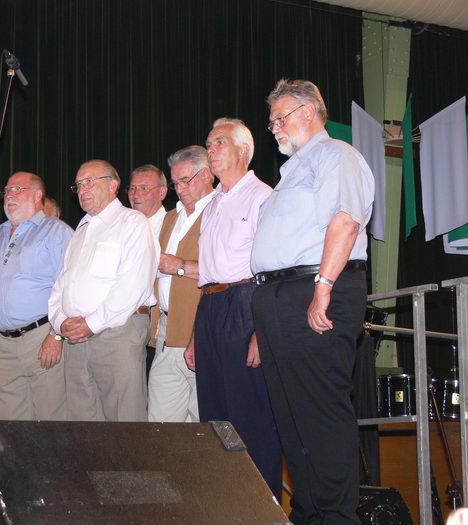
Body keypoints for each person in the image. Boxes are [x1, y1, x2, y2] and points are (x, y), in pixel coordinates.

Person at [251, 79, 374, 524]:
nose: (274, 129)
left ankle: (338, 518)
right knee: (292, 420)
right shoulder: (291, 173)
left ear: (308, 111)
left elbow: (344, 223)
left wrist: (324, 286)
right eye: (271, 123)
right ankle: (308, 516)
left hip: (315, 288)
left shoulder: (336, 155)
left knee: (320, 414)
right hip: (279, 297)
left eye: (279, 118)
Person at [183, 118, 281, 499]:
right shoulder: (213, 205)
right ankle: (225, 503)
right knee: (215, 417)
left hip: (245, 303)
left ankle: (262, 506)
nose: (210, 149)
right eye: (208, 143)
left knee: (251, 416)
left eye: (219, 142)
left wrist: (262, 329)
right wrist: (195, 333)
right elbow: (209, 275)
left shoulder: (262, 196)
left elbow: (271, 269)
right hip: (210, 308)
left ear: (243, 150)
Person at [48, 160, 158, 421]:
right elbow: (61, 285)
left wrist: (91, 324)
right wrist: (60, 322)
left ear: (113, 185)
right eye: (78, 184)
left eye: (90, 181)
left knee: (124, 425)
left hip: (117, 335)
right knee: (83, 427)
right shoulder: (81, 230)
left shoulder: (132, 222)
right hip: (75, 338)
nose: (82, 189)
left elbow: (133, 284)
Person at [0, 172, 73, 420]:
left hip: (41, 337)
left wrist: (56, 335)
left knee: (50, 423)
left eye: (18, 189)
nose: (10, 195)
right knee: (13, 427)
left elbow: (69, 286)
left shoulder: (57, 232)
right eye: (7, 190)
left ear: (37, 196)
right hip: (4, 345)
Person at [148, 146, 214, 423]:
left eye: (186, 180)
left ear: (207, 174)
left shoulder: (220, 211)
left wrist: (181, 266)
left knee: (206, 426)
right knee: (162, 431)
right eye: (176, 183)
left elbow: (232, 274)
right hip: (165, 334)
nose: (180, 188)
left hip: (203, 333)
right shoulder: (170, 218)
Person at [127, 164, 168, 239]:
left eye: (144, 188)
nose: (135, 195)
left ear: (162, 193)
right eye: (132, 188)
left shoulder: (173, 227)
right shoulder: (123, 225)